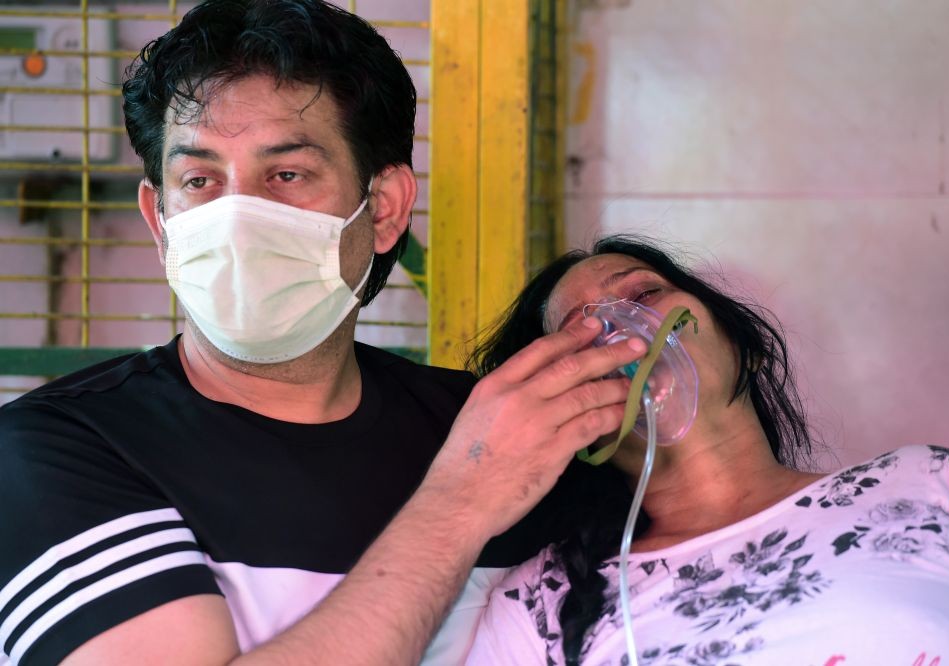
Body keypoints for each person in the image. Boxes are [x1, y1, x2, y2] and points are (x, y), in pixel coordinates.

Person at [0, 3, 648, 664]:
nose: (238, 217)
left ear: (387, 208)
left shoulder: (495, 427)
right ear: (160, 217)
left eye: (286, 175)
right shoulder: (57, 453)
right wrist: (462, 502)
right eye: (199, 181)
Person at [465, 235, 949, 665]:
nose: (623, 331)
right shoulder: (539, 605)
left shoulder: (933, 483)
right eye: (582, 332)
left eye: (644, 295)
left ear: (748, 350)